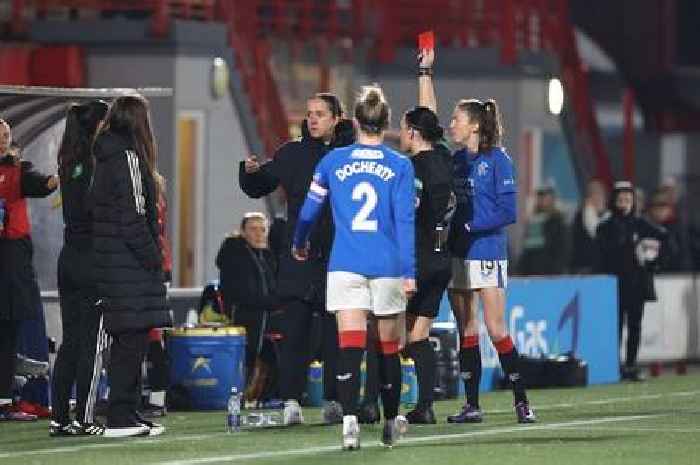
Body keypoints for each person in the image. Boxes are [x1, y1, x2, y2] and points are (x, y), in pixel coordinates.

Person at [292, 85, 416, 450]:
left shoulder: (332, 162)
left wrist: (299, 242)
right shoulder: (400, 165)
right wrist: (409, 272)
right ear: (385, 122)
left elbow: (309, 211)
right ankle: (391, 423)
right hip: (388, 264)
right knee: (388, 347)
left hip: (345, 262)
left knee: (350, 345)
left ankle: (349, 423)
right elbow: (405, 221)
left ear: (354, 122)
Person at [418, 49, 536, 424]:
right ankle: (472, 405)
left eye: (457, 120)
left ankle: (521, 401)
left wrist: (468, 225)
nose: (451, 124)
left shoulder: (497, 160)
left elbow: (508, 212)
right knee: (465, 326)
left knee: (496, 326)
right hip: (458, 252)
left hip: (486, 249)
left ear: (474, 126)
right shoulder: (455, 160)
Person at [239, 93, 355, 424]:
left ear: (336, 118)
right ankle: (291, 400)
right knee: (295, 333)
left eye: (320, 114)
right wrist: (250, 173)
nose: (313, 119)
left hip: (338, 257)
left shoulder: (350, 156)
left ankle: (336, 400)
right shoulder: (292, 153)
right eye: (309, 113)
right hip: (299, 257)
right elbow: (260, 184)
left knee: (337, 336)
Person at [91, 96, 171, 437]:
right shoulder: (127, 158)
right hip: (129, 264)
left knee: (131, 338)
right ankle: (121, 416)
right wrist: (154, 257)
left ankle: (128, 411)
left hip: (114, 262)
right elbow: (134, 217)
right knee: (132, 339)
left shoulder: (106, 157)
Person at [50, 101, 109, 436]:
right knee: (91, 343)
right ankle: (86, 419)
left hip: (68, 257)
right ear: (98, 125)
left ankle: (59, 417)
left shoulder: (68, 160)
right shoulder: (95, 163)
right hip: (90, 260)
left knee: (70, 341)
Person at [398, 103, 453, 424]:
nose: (401, 134)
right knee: (418, 337)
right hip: (441, 257)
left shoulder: (410, 168)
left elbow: (407, 212)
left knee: (388, 333)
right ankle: (426, 405)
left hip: (415, 258)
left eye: (405, 129)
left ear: (414, 133)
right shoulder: (445, 159)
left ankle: (373, 402)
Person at [0, 119, 59, 421]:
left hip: (13, 258)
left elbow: (41, 183)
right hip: (11, 260)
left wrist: (59, 178)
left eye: (6, 134)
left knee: (9, 329)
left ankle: (6, 400)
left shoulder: (18, 169)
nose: (3, 139)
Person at [597, 181, 666, 381]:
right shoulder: (606, 226)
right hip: (615, 284)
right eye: (621, 199)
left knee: (635, 325)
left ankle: (631, 365)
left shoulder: (640, 223)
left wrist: (654, 261)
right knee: (616, 326)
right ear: (614, 201)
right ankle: (615, 365)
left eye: (628, 199)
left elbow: (664, 237)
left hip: (636, 284)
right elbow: (602, 254)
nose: (624, 203)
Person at [215, 211, 284, 392]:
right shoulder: (235, 255)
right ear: (243, 232)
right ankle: (241, 391)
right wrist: (275, 302)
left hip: (267, 315)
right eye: (253, 229)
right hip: (244, 316)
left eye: (262, 230)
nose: (259, 234)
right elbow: (242, 293)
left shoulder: (267, 257)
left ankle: (272, 393)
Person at [518, 186, 569, 275]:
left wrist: (556, 271)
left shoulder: (558, 222)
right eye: (540, 197)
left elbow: (562, 249)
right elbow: (527, 250)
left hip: (551, 274)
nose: (543, 201)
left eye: (546, 197)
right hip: (531, 273)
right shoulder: (533, 221)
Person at [570, 179, 607, 273]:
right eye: (593, 194)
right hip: (585, 266)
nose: (597, 197)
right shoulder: (581, 215)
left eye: (600, 194)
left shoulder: (609, 215)